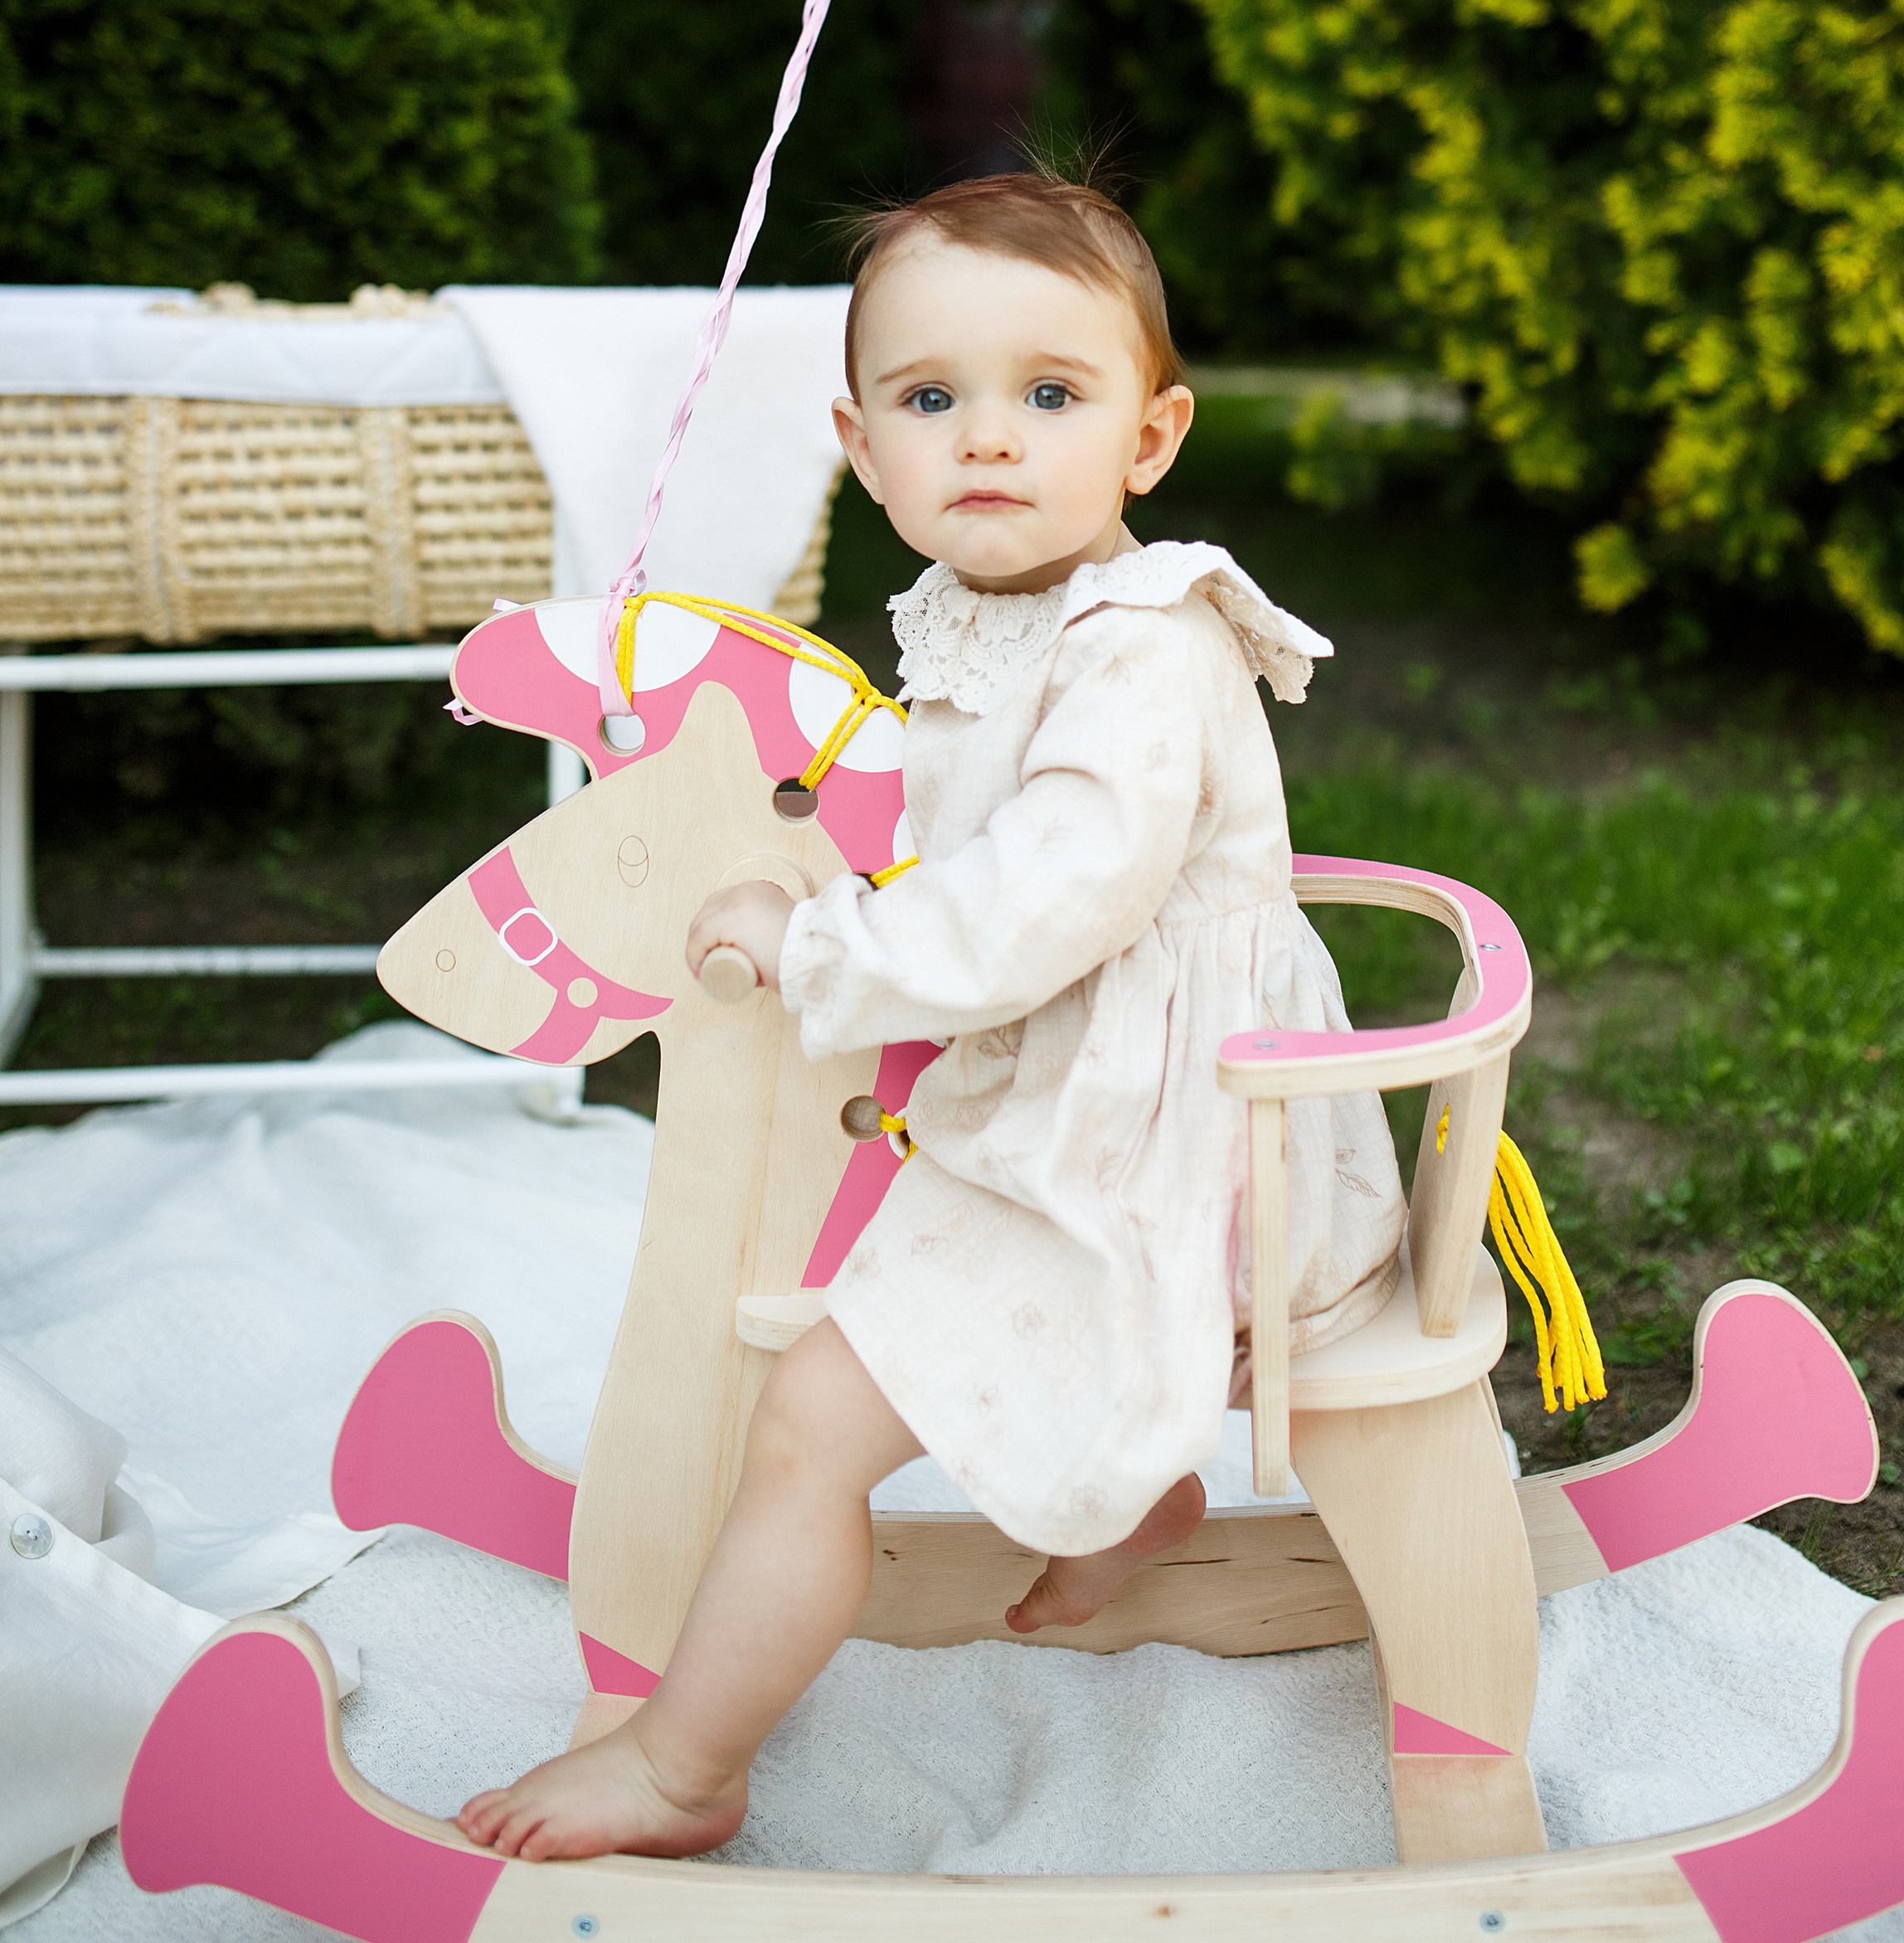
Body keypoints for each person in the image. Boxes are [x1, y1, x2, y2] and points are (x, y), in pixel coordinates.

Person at [459, 170, 1406, 1863]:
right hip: (1073, 1087)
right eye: (928, 398)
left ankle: (681, 1770)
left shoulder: (1137, 645)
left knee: (813, 1420)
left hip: (1162, 1129)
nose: (985, 439)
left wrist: (819, 942)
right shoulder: (989, 617)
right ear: (859, 441)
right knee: (858, 1341)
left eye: (1048, 395)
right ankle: (1134, 1493)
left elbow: (1054, 883)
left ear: (1150, 435)